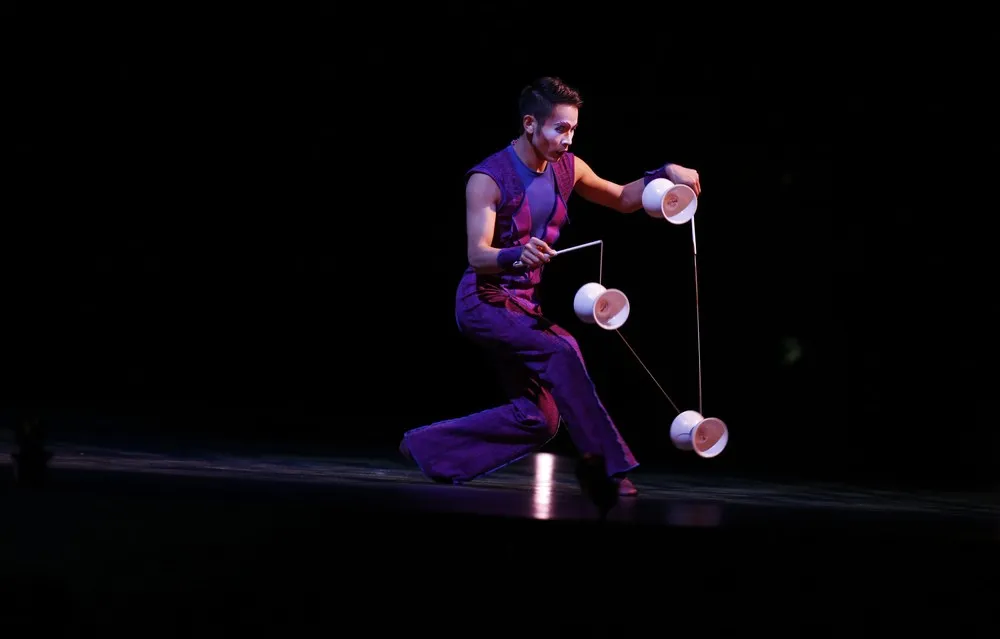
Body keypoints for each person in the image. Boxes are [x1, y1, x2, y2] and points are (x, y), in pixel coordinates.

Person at [399, 76, 702, 499]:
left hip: (523, 305)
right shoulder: (488, 178)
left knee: (540, 419)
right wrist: (515, 253)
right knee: (563, 349)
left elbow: (623, 198)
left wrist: (666, 175)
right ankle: (611, 469)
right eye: (560, 128)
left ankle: (429, 447)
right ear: (530, 124)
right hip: (484, 301)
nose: (568, 137)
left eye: (573, 129)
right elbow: (477, 256)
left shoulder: (568, 167)